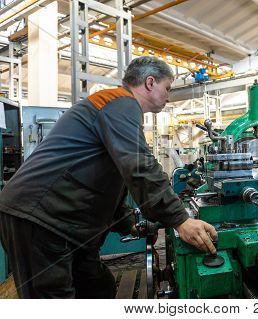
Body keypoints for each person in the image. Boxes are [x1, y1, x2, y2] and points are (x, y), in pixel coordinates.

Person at [0, 57, 217, 298]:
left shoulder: (119, 108)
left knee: (98, 287)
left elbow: (106, 178)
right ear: (149, 82)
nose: (169, 96)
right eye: (167, 88)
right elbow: (139, 166)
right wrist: (180, 219)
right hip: (40, 217)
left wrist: (129, 224)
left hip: (66, 220)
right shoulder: (119, 102)